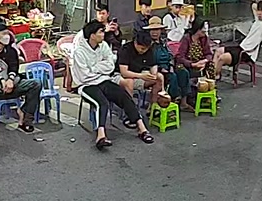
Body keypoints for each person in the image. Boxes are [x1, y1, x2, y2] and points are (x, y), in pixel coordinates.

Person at [71, 20, 154, 149]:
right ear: (92, 35)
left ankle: (142, 129)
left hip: (104, 80)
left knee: (124, 96)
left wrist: (94, 68)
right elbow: (84, 75)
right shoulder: (79, 52)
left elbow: (110, 66)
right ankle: (101, 136)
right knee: (102, 103)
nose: (103, 34)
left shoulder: (103, 46)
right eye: (100, 32)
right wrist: (100, 67)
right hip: (86, 85)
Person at [0, 22, 43, 135]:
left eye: (8, 33)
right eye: (4, 34)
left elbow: (14, 67)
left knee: (36, 84)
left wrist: (10, 80)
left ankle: (25, 117)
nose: (7, 36)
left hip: (13, 85)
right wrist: (1, 80)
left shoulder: (11, 51)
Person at [214, 0, 262, 76]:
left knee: (222, 58)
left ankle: (213, 76)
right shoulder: (257, 20)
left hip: (247, 53)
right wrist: (261, 1)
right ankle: (212, 73)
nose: (259, 13)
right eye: (259, 10)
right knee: (218, 51)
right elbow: (253, 6)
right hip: (241, 47)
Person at [147, 17, 190, 109]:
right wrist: (161, 68)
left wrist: (171, 65)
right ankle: (171, 100)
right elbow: (147, 60)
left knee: (183, 72)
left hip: (168, 65)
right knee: (172, 76)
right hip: (155, 69)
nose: (155, 32)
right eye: (152, 30)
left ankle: (184, 102)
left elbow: (170, 55)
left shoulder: (163, 41)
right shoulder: (147, 44)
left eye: (157, 30)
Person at [117, 32, 166, 106]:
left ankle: (153, 106)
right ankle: (131, 109)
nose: (144, 51)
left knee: (159, 77)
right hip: (122, 76)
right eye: (142, 48)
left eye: (146, 49)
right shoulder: (126, 49)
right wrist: (141, 76)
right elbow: (124, 72)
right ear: (135, 43)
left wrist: (154, 74)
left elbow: (153, 65)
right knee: (129, 82)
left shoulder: (148, 49)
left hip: (140, 73)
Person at [175, 19, 216, 85]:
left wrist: (204, 61)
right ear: (198, 29)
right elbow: (180, 57)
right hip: (188, 63)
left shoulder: (204, 38)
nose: (205, 31)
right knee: (181, 69)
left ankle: (209, 85)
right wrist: (192, 64)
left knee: (211, 64)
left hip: (201, 62)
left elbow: (208, 53)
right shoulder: (186, 38)